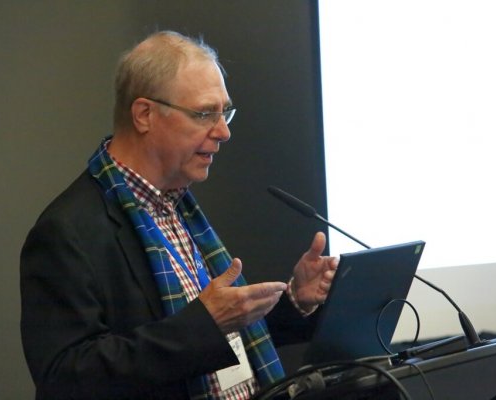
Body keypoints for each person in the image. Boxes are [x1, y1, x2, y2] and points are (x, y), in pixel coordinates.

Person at [20, 30, 338, 400]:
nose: (224, 132)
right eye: (205, 114)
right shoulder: (66, 230)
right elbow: (65, 379)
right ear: (144, 114)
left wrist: (296, 301)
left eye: (225, 113)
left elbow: (229, 342)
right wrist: (204, 324)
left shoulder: (180, 206)